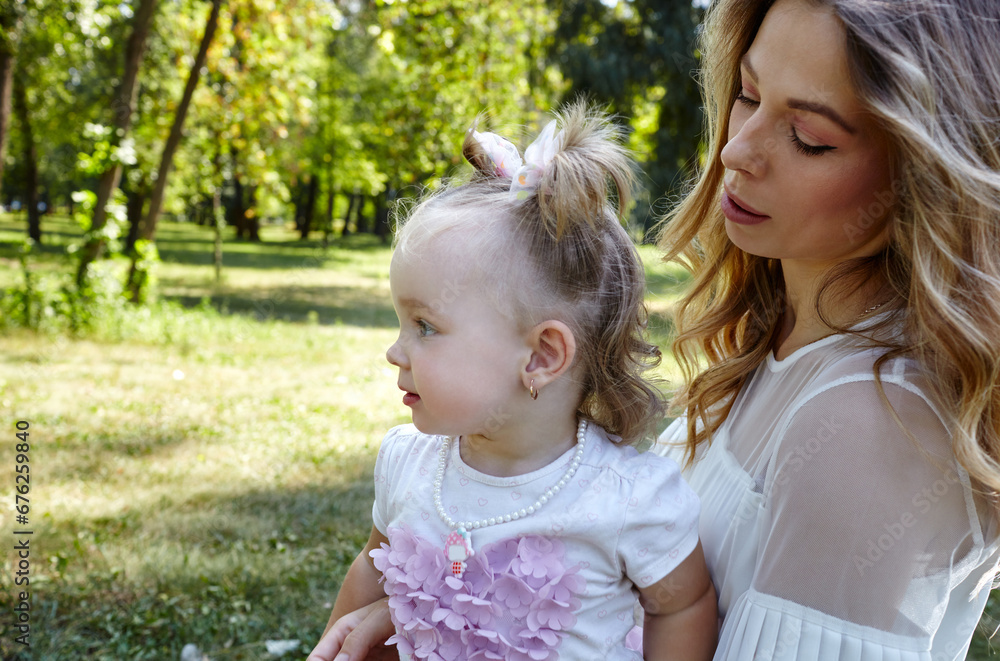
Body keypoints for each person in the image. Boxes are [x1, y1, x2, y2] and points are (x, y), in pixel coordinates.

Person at [652, 0, 1000, 659]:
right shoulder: (784, 335)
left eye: (809, 138)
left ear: (922, 177)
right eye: (748, 95)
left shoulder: (873, 422)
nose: (735, 150)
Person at [308, 103, 718, 661]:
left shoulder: (627, 499)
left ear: (541, 356)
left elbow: (682, 605)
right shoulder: (408, 464)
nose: (394, 351)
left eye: (425, 326)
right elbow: (371, 567)